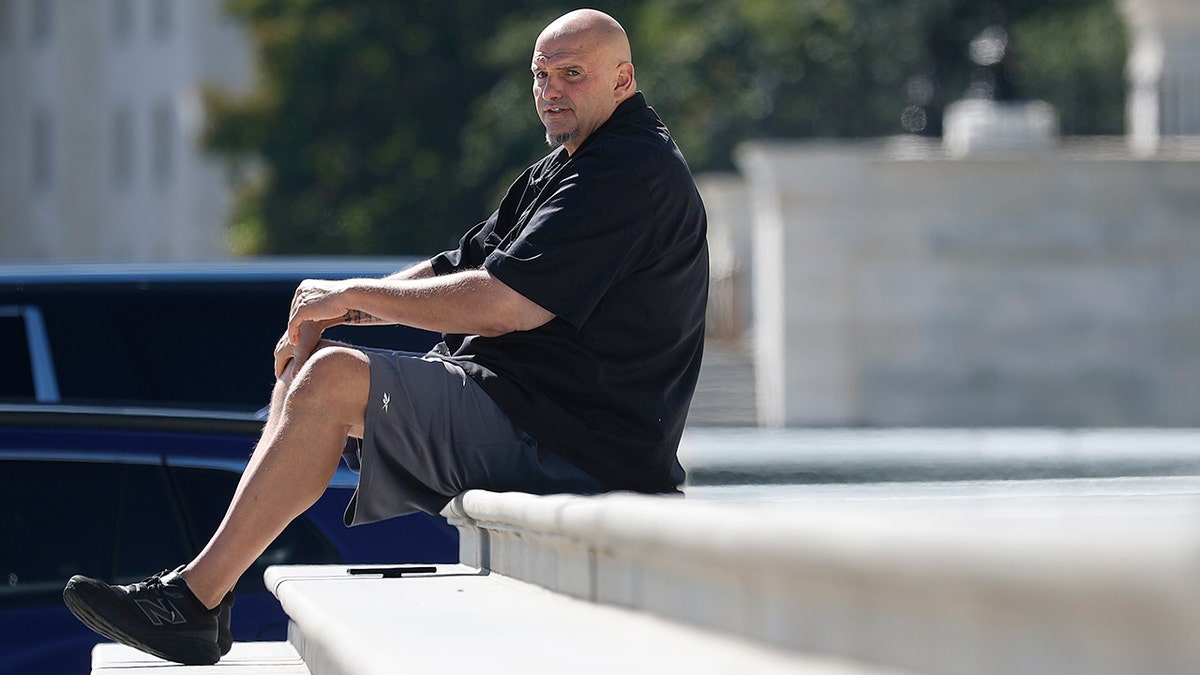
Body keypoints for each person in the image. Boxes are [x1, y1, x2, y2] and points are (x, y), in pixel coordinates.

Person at [63, 8, 708, 666]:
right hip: (532, 410)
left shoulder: (628, 172)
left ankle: (193, 601)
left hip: (578, 441)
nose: (550, 90)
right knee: (310, 371)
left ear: (623, 78)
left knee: (329, 379)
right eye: (540, 74)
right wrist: (333, 313)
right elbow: (456, 267)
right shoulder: (570, 165)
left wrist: (348, 296)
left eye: (572, 74)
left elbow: (504, 305)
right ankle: (206, 592)